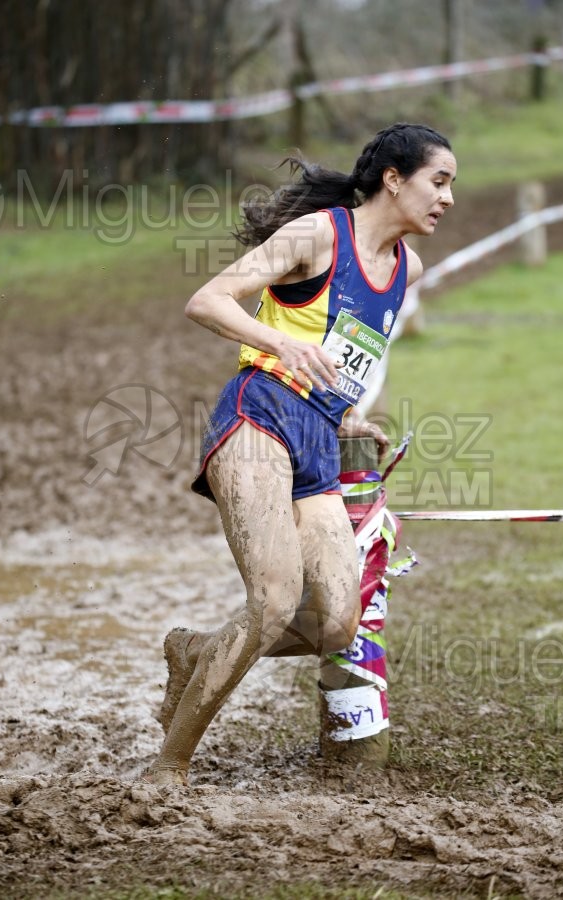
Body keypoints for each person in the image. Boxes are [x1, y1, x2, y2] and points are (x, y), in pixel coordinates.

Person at [144, 122, 456, 785]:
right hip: (258, 413)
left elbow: (355, 351)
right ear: (393, 179)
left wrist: (351, 413)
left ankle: (193, 651)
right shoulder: (318, 235)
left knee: (339, 621)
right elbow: (207, 300)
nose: (448, 198)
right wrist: (279, 343)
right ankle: (168, 767)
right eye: (440, 180)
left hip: (318, 437)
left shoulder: (409, 269)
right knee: (274, 601)